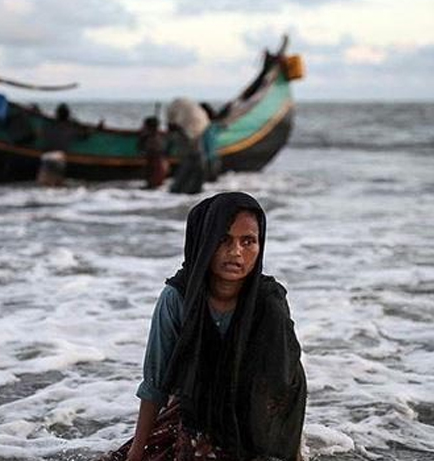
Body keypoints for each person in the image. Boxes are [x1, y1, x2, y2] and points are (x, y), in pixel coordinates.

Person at [101, 192, 307, 461]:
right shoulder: (178, 297)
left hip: (261, 415)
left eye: (248, 241)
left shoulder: (269, 302)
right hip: (198, 405)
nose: (236, 252)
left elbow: (282, 385)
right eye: (223, 240)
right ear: (203, 242)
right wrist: (136, 454)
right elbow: (156, 383)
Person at [37, 103, 88, 186]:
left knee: (44, 184)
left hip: (46, 156)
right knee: (57, 185)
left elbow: (41, 130)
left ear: (57, 114)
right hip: (59, 157)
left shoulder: (49, 125)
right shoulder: (71, 127)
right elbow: (84, 135)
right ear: (68, 115)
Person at [137, 116, 169, 189]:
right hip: (157, 165)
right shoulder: (155, 137)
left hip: (156, 166)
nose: (142, 127)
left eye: (144, 125)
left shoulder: (152, 138)